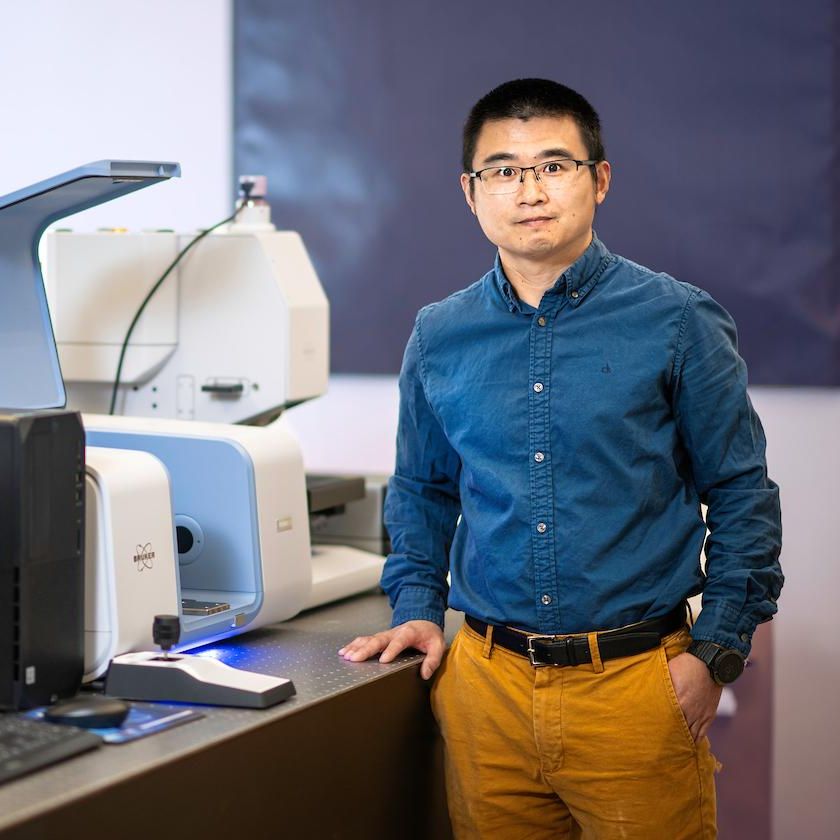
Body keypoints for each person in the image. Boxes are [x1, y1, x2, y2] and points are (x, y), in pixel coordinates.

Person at [339, 78, 783, 839]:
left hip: (635, 688)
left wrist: (713, 654)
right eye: (503, 171)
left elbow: (743, 494)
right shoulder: (439, 333)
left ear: (599, 179)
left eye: (554, 165)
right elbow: (421, 489)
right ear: (470, 193)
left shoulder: (677, 320)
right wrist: (415, 608)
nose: (529, 190)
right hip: (486, 691)